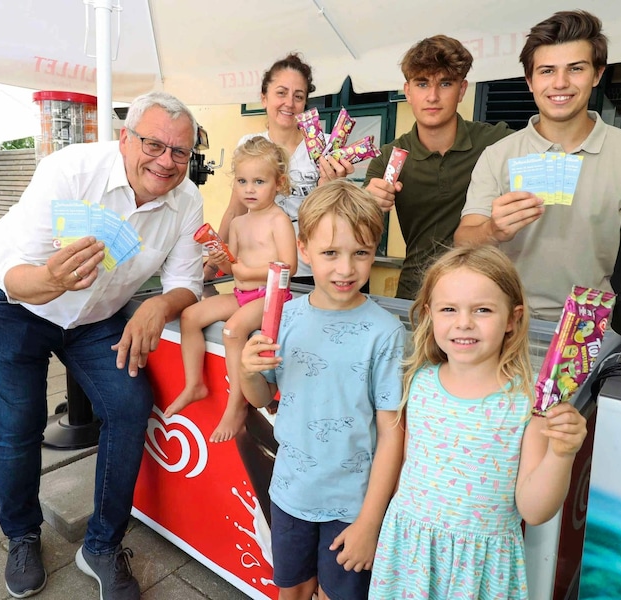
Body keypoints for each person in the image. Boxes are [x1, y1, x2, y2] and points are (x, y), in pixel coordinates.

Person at [0, 91, 204, 600]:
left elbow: (188, 280)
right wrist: (54, 281)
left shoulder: (186, 201)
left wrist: (156, 306)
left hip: (93, 315)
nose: (166, 161)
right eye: (154, 144)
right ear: (125, 138)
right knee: (19, 424)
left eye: (180, 152)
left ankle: (100, 545)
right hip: (13, 300)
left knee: (127, 404)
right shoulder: (71, 172)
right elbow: (18, 276)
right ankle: (22, 534)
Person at [364, 34, 621, 300]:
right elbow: (359, 235)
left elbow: (553, 136)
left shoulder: (497, 144)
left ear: (462, 90)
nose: (432, 96)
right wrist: (367, 203)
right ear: (407, 91)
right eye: (422, 84)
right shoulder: (390, 158)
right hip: (419, 291)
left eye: (445, 83)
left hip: (487, 295)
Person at [369, 245, 587, 599]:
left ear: (512, 319)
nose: (463, 322)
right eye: (449, 309)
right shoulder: (417, 381)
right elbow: (403, 470)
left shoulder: (528, 405)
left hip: (480, 569)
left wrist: (561, 455)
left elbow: (534, 511)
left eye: (482, 310)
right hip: (408, 555)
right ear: (429, 314)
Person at [239, 180, 406, 600]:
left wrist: (370, 520)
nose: (345, 269)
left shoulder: (385, 333)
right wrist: (247, 369)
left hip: (353, 503)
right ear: (304, 249)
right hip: (291, 491)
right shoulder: (284, 317)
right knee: (291, 590)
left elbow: (391, 433)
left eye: (361, 253)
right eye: (330, 253)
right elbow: (262, 398)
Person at [455, 10, 621, 330]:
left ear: (597, 74)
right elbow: (463, 241)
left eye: (576, 68)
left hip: (588, 326)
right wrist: (493, 231)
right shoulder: (498, 156)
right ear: (530, 81)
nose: (560, 83)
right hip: (506, 322)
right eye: (546, 70)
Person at [165, 136, 298, 443]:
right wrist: (221, 260)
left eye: (259, 181)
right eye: (242, 181)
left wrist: (241, 270)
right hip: (242, 295)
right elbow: (229, 268)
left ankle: (237, 403)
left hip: (271, 299)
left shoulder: (279, 220)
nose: (249, 189)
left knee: (233, 330)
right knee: (190, 316)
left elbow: (287, 267)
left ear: (278, 183)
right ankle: (193, 384)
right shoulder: (237, 223)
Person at [215, 53, 353, 284]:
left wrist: (331, 188)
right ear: (264, 98)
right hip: (260, 271)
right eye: (281, 93)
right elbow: (235, 210)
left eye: (298, 96)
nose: (289, 103)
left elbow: (340, 217)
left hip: (315, 269)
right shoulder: (250, 145)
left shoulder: (326, 147)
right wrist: (213, 260)